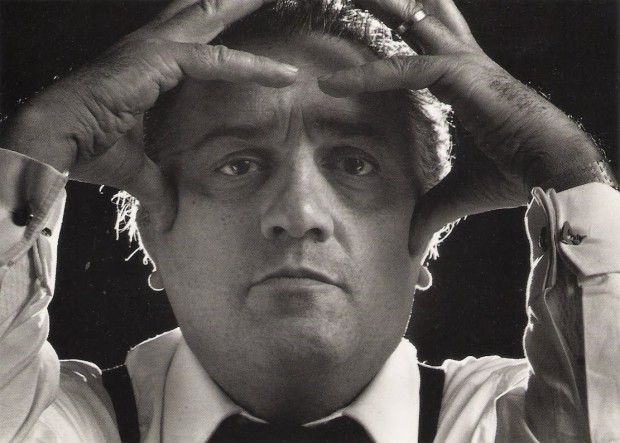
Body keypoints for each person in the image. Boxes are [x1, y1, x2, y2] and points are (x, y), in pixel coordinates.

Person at [0, 0, 618, 441]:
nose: (299, 214)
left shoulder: (507, 422)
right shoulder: (57, 426)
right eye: (238, 165)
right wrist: (37, 141)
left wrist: (570, 171)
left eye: (355, 163)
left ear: (427, 237)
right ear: (152, 235)